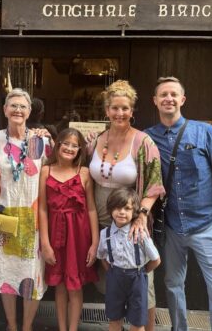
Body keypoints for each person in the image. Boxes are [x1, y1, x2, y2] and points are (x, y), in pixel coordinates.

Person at [145, 76, 212, 331]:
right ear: (155, 101)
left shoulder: (204, 131)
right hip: (172, 227)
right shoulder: (148, 137)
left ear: (182, 99)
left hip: (206, 225)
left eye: (174, 94)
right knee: (173, 286)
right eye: (163, 94)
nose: (168, 99)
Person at [87, 80, 164, 331]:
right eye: (115, 108)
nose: (120, 113)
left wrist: (141, 215)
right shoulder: (97, 139)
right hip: (101, 221)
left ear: (132, 111)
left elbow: (154, 184)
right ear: (106, 110)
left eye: (125, 108)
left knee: (142, 279)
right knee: (112, 280)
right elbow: (71, 156)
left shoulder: (143, 142)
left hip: (131, 219)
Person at [0, 88, 52, 331]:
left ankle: (27, 326)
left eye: (22, 106)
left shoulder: (43, 141)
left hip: (32, 216)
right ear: (5, 110)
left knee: (32, 272)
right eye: (13, 105)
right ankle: (11, 323)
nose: (18, 110)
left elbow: (52, 175)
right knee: (6, 270)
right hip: (3, 214)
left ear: (29, 112)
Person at [38, 128, 99, 331]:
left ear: (80, 149)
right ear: (58, 145)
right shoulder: (46, 170)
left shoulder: (84, 172)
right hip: (55, 233)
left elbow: (91, 208)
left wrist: (95, 243)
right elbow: (43, 209)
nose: (70, 148)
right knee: (60, 285)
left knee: (75, 285)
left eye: (75, 145)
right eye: (66, 143)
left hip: (79, 235)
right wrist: (45, 243)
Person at [97, 187, 161, 331]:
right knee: (114, 320)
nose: (122, 212)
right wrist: (112, 272)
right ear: (110, 209)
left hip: (137, 280)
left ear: (134, 212)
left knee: (137, 323)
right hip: (115, 279)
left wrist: (142, 272)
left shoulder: (140, 233)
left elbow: (156, 260)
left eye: (127, 208)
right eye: (118, 207)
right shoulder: (105, 234)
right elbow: (101, 256)